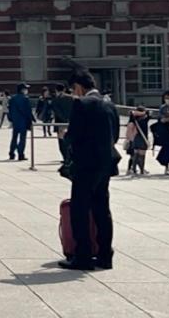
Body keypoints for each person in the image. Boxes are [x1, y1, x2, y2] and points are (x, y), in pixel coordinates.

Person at [58, 72, 120, 271]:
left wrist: (65, 136)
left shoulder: (81, 104)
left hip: (86, 164)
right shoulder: (109, 104)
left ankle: (82, 255)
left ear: (78, 86)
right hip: (105, 164)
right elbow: (116, 135)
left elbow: (74, 136)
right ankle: (105, 255)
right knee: (102, 209)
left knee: (80, 210)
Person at [7, 83, 33, 161]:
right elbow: (28, 111)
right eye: (26, 89)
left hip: (15, 121)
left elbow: (10, 110)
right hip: (23, 121)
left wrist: (11, 119)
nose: (27, 90)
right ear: (22, 90)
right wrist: (31, 120)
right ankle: (20, 154)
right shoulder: (25, 99)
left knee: (14, 137)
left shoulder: (12, 99)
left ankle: (11, 153)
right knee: (22, 138)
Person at [51, 84, 74, 160]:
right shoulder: (71, 98)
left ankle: (66, 158)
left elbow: (57, 112)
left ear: (56, 90)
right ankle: (70, 157)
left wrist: (64, 119)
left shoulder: (56, 99)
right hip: (71, 122)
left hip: (60, 123)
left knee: (62, 142)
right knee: (70, 141)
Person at [126, 106, 150, 175]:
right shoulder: (145, 118)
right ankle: (142, 170)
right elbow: (149, 114)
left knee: (135, 154)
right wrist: (142, 113)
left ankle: (133, 169)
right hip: (143, 138)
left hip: (135, 138)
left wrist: (134, 113)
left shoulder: (133, 118)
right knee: (142, 155)